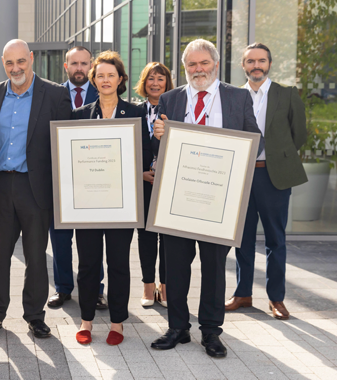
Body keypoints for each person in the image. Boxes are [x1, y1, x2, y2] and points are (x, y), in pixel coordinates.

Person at [150, 39, 263, 358]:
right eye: (191, 65)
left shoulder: (237, 97)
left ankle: (212, 332)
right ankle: (178, 328)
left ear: (215, 64)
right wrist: (158, 136)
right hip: (177, 198)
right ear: (184, 68)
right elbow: (158, 147)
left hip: (218, 201)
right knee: (175, 267)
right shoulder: (170, 98)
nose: (198, 70)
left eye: (203, 64)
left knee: (214, 267)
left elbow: (257, 140)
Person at [0, 39, 72, 338]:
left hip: (36, 188)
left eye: (21, 61)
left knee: (36, 255)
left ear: (31, 59)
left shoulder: (56, 95)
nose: (16, 68)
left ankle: (35, 315)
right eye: (10, 63)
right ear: (3, 63)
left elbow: (64, 144)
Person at [71, 51, 152, 346]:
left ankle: (117, 322)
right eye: (100, 75)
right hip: (88, 203)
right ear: (93, 79)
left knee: (118, 263)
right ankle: (86, 321)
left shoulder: (135, 113)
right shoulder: (80, 115)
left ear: (120, 80)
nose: (105, 80)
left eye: (111, 75)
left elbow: (143, 152)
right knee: (88, 264)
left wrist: (141, 170)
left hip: (121, 202)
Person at [225, 43, 306, 320]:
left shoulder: (287, 94)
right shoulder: (233, 96)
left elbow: (299, 134)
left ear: (269, 63)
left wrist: (276, 156)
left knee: (275, 239)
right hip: (242, 174)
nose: (256, 65)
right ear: (243, 65)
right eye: (250, 61)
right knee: (242, 238)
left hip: (274, 176)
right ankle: (243, 294)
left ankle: (276, 299)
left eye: (261, 60)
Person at [48, 46, 107, 310]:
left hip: (91, 178)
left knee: (91, 239)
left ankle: (95, 290)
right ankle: (63, 288)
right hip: (58, 178)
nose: (80, 68)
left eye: (84, 63)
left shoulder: (103, 93)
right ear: (66, 67)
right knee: (60, 237)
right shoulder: (51, 94)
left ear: (91, 66)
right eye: (75, 64)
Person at [133, 62, 174, 308]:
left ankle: (166, 285)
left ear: (167, 82)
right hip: (144, 183)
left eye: (160, 78)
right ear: (144, 83)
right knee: (146, 236)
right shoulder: (134, 111)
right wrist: (139, 174)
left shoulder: (176, 108)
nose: (155, 83)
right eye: (151, 79)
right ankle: (148, 285)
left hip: (168, 183)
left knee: (168, 237)